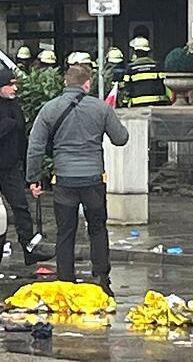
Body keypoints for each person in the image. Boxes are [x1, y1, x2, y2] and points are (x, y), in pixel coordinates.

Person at [26, 65, 129, 297]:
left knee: (65, 232)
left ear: (65, 84)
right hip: (93, 179)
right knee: (97, 228)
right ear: (87, 84)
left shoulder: (49, 109)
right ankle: (101, 278)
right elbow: (121, 138)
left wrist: (33, 178)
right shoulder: (101, 108)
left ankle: (66, 281)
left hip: (64, 181)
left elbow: (35, 147)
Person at [0, 67, 56, 265]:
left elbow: (21, 138)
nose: (14, 88)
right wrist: (8, 124)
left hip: (10, 166)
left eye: (15, 84)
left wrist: (30, 171)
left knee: (20, 206)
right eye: (10, 85)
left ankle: (29, 248)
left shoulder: (14, 105)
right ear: (0, 86)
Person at [122, 36, 170, 107]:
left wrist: (125, 103)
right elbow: (166, 85)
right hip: (157, 103)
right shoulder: (157, 66)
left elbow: (126, 88)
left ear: (136, 51)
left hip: (138, 104)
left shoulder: (131, 69)